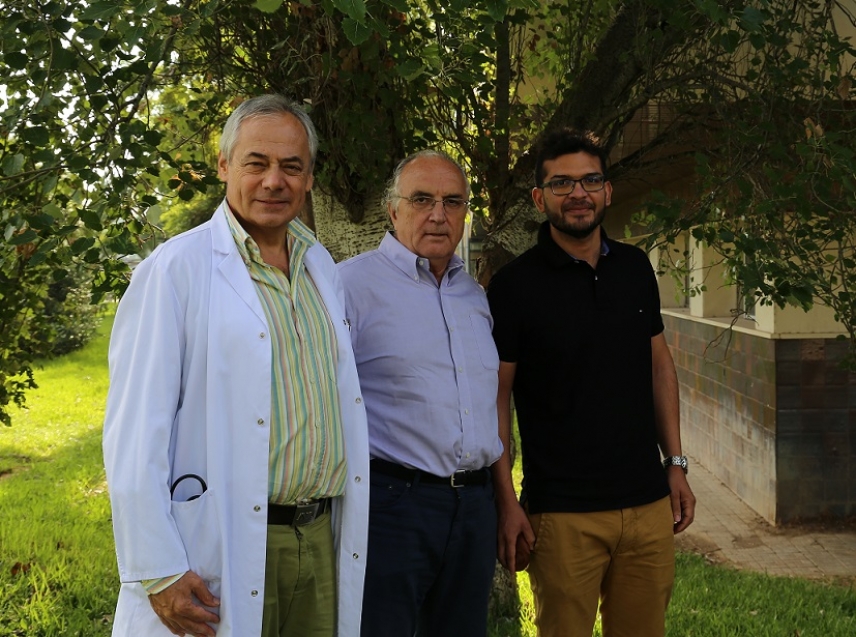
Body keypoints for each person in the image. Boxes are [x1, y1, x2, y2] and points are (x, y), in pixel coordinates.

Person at [102, 94, 369, 637]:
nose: (275, 180)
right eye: (257, 163)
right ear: (224, 166)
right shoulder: (175, 270)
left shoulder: (319, 265)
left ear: (309, 177)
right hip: (224, 539)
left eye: (291, 166)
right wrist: (158, 570)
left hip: (318, 537)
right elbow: (133, 433)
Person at [487, 128, 696, 637]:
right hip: (562, 516)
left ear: (607, 190)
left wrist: (676, 464)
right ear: (540, 198)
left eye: (590, 180)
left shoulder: (635, 267)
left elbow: (659, 366)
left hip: (647, 507)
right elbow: (496, 397)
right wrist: (506, 500)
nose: (577, 193)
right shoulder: (514, 286)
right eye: (561, 184)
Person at [337, 150, 503, 637]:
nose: (438, 214)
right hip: (393, 507)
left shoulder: (472, 294)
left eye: (453, 202)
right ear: (393, 210)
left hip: (474, 507)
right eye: (422, 199)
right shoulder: (349, 285)